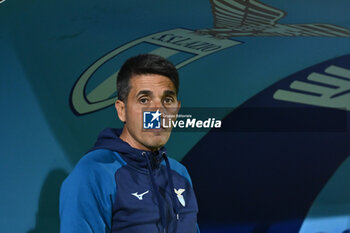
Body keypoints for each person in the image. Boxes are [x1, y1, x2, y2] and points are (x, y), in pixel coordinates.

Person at [59, 54, 199, 233]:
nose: (158, 113)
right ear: (122, 110)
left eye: (167, 100)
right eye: (144, 100)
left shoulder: (180, 173)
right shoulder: (94, 172)